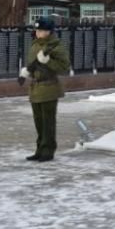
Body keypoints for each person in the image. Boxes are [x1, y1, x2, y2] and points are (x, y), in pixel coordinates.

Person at [18, 16, 71, 162]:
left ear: (49, 32)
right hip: (35, 87)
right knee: (39, 122)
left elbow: (64, 68)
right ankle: (40, 149)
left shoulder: (56, 46)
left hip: (49, 87)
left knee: (48, 122)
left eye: (41, 30)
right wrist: (27, 72)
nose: (38, 33)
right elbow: (33, 64)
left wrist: (48, 61)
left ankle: (48, 150)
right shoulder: (35, 44)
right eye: (37, 30)